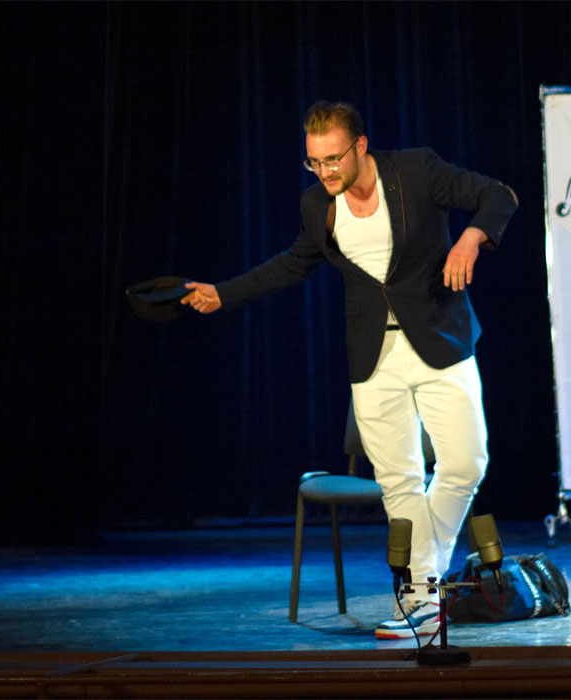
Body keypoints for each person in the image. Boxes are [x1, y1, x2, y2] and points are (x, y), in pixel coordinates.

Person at [182, 101, 518, 639]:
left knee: (466, 463)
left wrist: (470, 238)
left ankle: (424, 580)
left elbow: (498, 195)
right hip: (373, 356)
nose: (325, 171)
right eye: (314, 162)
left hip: (439, 337)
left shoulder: (415, 170)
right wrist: (224, 293)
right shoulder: (318, 204)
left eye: (333, 159)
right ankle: (421, 600)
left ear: (360, 146)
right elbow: (293, 263)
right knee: (399, 480)